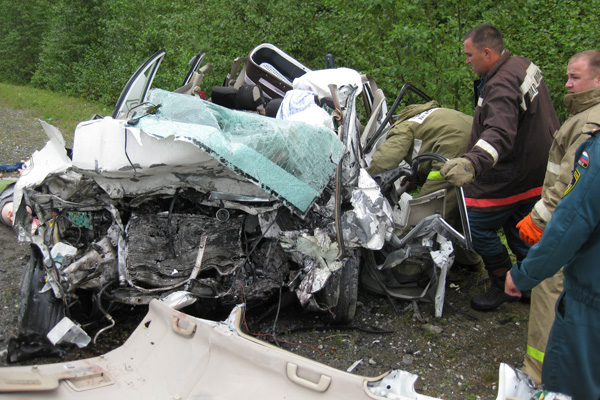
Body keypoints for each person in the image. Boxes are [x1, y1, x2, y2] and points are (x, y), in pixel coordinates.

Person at [441, 24, 560, 311]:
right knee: (520, 224)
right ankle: (529, 282)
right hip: (535, 168)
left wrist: (472, 163)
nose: (467, 61)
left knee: (476, 224)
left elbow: (499, 132)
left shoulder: (500, 83)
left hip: (510, 173)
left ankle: (503, 282)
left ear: (487, 52)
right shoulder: (522, 65)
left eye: (469, 55)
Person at [515, 50, 600, 385]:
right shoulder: (582, 113)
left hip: (563, 230)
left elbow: (568, 183)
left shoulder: (590, 122)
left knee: (550, 293)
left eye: (575, 77)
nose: (567, 83)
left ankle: (539, 375)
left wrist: (538, 219)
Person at [505, 127, 600, 399]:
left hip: (591, 302)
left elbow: (569, 225)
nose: (568, 84)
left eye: (574, 79)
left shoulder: (597, 151)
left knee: (570, 388)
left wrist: (523, 274)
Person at [366, 100, 481, 268]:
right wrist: (417, 178)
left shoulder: (403, 127)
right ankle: (468, 261)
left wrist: (366, 181)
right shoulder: (427, 115)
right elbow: (428, 147)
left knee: (427, 212)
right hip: (479, 145)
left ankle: (413, 267)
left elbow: (385, 161)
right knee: (457, 208)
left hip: (452, 155)